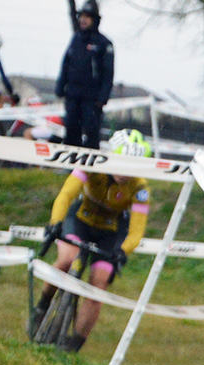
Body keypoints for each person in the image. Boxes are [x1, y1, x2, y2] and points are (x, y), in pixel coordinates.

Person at [30, 129, 151, 352]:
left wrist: (123, 251)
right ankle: (43, 304)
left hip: (110, 231)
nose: (125, 172)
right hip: (81, 219)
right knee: (67, 259)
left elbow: (136, 231)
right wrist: (56, 221)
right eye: (122, 163)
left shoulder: (140, 187)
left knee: (99, 282)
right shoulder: (92, 164)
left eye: (132, 166)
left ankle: (75, 344)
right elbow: (66, 194)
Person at [56, 1, 114, 149]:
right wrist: (60, 86)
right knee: (71, 129)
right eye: (81, 16)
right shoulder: (75, 39)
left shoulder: (104, 43)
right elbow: (66, 63)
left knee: (91, 132)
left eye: (88, 16)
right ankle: (71, 167)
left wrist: (103, 97)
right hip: (73, 95)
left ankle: (90, 170)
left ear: (95, 19)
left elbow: (108, 73)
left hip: (92, 99)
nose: (83, 19)